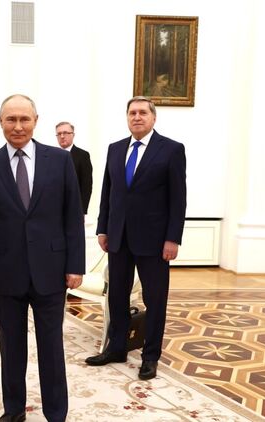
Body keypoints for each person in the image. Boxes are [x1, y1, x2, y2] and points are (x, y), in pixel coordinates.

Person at [0, 94, 85, 422]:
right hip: (7, 270)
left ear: (36, 121)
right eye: (11, 119)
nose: (18, 126)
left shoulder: (60, 160)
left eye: (25, 119)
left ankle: (56, 413)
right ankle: (14, 411)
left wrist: (75, 265)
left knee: (51, 347)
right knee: (11, 348)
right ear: (0, 122)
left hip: (51, 270)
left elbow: (72, 216)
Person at [85, 96, 186, 381]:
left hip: (155, 241)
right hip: (118, 237)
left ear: (153, 118)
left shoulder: (171, 150)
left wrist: (173, 238)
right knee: (117, 296)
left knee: (155, 299)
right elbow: (108, 192)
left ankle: (150, 357)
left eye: (143, 112)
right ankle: (116, 348)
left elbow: (178, 199)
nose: (137, 117)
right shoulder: (115, 149)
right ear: (127, 117)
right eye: (132, 113)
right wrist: (103, 228)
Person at [55, 122, 93, 214]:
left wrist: (82, 211)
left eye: (65, 133)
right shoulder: (52, 156)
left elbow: (86, 185)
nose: (62, 136)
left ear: (73, 135)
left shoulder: (83, 155)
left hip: (75, 208)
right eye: (59, 134)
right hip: (55, 208)